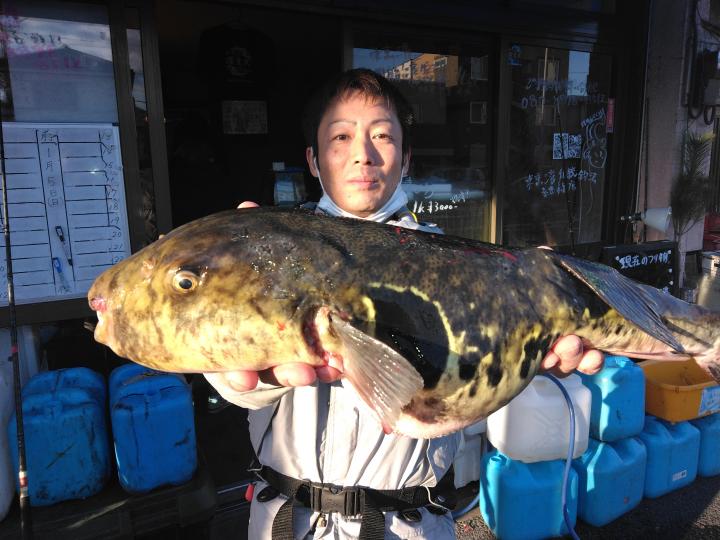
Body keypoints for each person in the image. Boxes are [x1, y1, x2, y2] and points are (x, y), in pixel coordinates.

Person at [204, 68, 604, 540]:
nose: (363, 154)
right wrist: (249, 374)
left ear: (407, 157)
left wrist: (526, 345)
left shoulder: (453, 264)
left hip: (405, 525)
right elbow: (236, 385)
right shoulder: (274, 255)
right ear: (313, 159)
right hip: (286, 522)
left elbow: (476, 364)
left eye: (382, 136)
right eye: (341, 137)